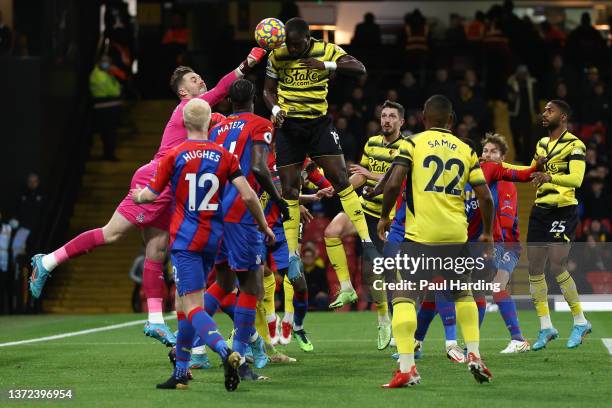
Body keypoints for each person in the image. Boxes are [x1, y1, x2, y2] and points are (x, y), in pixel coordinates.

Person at [29, 48, 267, 347]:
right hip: (156, 179)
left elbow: (228, 121)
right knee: (111, 234)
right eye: (194, 79)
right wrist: (247, 63)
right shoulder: (187, 107)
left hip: (171, 184)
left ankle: (155, 320)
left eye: (199, 77)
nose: (200, 81)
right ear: (183, 91)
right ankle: (47, 261)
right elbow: (222, 89)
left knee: (157, 248)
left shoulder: (201, 115)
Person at [131, 98, 273, 391]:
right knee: (185, 306)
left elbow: (152, 194)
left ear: (184, 123)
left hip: (185, 240)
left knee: (191, 306)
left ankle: (226, 352)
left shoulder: (175, 154)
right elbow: (247, 195)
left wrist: (137, 196)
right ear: (209, 123)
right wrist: (264, 225)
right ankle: (181, 372)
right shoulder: (224, 156)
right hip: (213, 237)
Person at [377, 95, 494, 387]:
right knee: (463, 293)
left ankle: (407, 368)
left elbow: (393, 182)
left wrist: (384, 217)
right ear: (451, 121)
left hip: (420, 237)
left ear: (423, 119)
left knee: (404, 295)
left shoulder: (412, 143)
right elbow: (485, 197)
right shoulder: (466, 149)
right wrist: (489, 232)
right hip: (456, 236)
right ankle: (475, 355)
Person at [262, 17, 375, 291]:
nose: (292, 49)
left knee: (339, 178)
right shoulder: (277, 54)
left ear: (307, 40)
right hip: (290, 127)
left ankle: (367, 242)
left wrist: (327, 65)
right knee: (288, 187)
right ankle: (291, 255)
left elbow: (359, 68)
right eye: (289, 44)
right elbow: (267, 91)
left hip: (318, 124)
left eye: (297, 44)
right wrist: (276, 111)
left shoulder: (326, 50)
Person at [206, 79, 288, 376]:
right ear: (254, 98)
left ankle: (185, 344)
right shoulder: (259, 124)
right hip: (240, 211)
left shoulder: (216, 129)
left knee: (224, 283)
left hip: (214, 211)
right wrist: (279, 200)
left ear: (229, 100)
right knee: (252, 284)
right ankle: (239, 360)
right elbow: (257, 167)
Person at [324, 100, 406, 350]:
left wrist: (369, 175)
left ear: (401, 121)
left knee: (387, 275)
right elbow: (361, 174)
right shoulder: (372, 143)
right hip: (365, 209)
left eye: (392, 116)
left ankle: (402, 324)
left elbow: (399, 180)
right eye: (384, 116)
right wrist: (340, 187)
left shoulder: (407, 147)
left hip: (390, 216)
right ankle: (377, 315)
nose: (387, 120)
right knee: (332, 231)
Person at [526, 100, 592, 350]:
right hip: (540, 209)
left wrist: (548, 175)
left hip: (562, 209)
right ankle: (546, 327)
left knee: (557, 263)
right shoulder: (542, 144)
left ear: (562, 117)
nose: (544, 114)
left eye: (549, 110)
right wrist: (535, 169)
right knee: (534, 267)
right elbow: (534, 171)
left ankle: (580, 321)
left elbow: (577, 179)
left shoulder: (576, 144)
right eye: (543, 110)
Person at [90, 55, 123, 161]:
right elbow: (115, 91)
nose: (107, 64)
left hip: (107, 108)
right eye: (104, 62)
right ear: (99, 62)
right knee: (108, 133)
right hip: (106, 108)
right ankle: (109, 155)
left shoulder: (102, 74)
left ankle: (109, 154)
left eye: (108, 62)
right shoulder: (100, 76)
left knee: (108, 133)